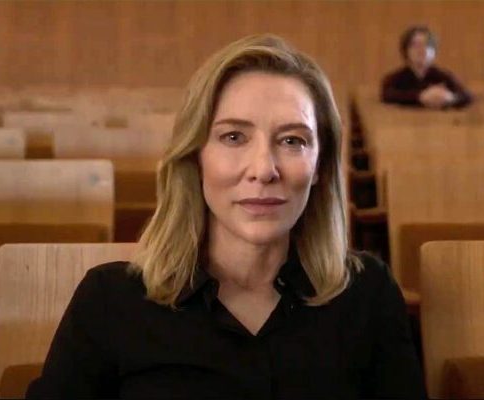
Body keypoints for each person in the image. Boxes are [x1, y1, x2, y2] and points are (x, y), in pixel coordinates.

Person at [26, 34, 425, 399]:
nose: (263, 169)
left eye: (292, 140)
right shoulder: (109, 300)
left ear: (320, 165)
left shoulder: (368, 295)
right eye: (234, 137)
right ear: (195, 156)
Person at [381, 25, 473, 109]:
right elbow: (388, 95)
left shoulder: (443, 76)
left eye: (427, 45)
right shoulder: (394, 79)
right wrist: (420, 96)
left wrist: (448, 97)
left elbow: (467, 96)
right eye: (415, 45)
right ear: (406, 50)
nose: (422, 50)